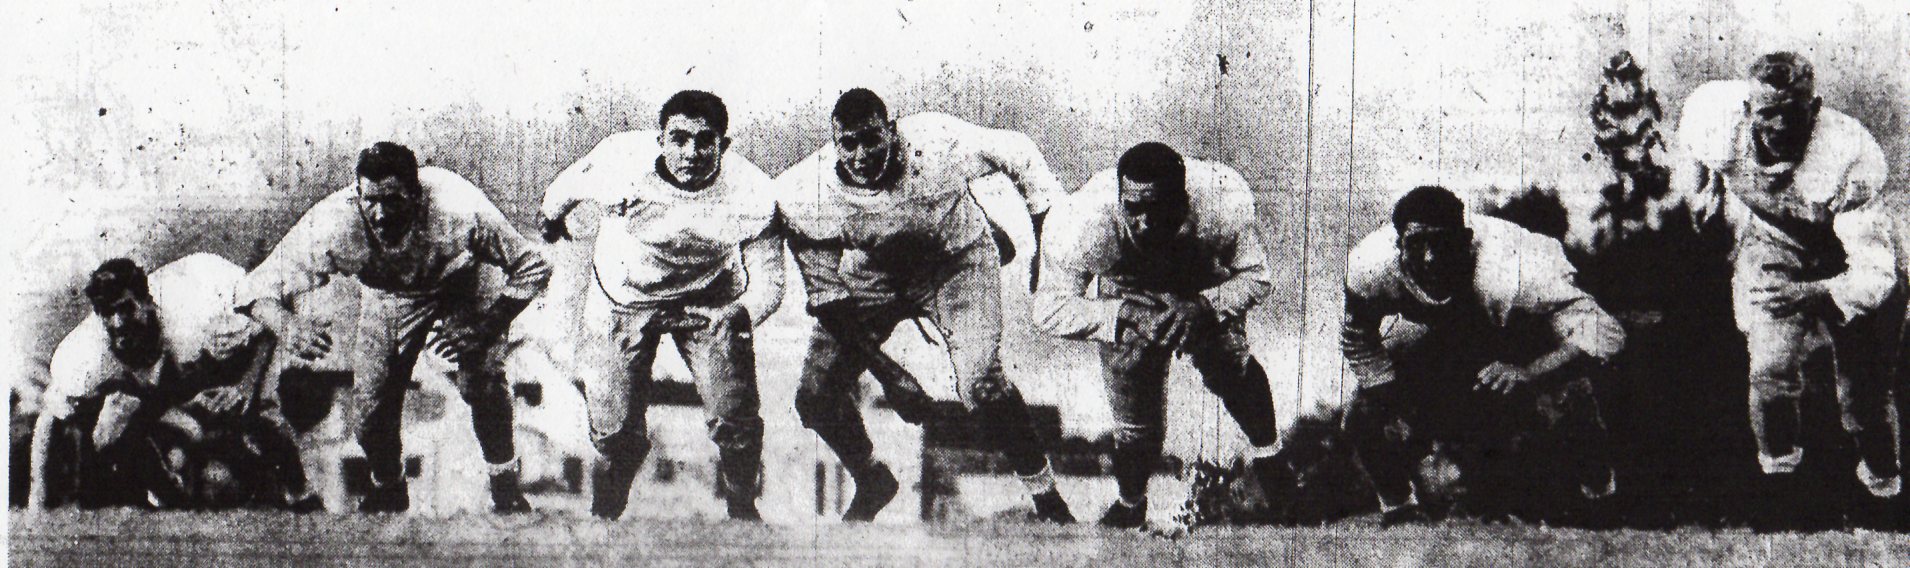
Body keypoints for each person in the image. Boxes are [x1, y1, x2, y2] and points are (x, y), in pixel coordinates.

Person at [776, 88, 1074, 522]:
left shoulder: (937, 141)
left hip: (954, 261)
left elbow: (1022, 155)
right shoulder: (805, 192)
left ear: (892, 131)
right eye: (849, 144)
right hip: (874, 271)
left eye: (871, 138)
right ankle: (872, 477)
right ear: (834, 144)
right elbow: (829, 300)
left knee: (981, 385)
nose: (861, 154)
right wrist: (891, 376)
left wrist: (1047, 258)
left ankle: (1049, 501)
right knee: (815, 396)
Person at [235, 142, 552, 513]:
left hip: (463, 279)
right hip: (391, 294)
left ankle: (505, 487)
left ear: (417, 196)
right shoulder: (333, 225)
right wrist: (287, 325)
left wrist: (488, 323)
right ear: (358, 195)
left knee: (480, 378)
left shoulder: (459, 209)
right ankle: (389, 488)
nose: (380, 215)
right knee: (368, 413)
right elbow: (252, 289)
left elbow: (534, 265)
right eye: (370, 200)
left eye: (392, 200)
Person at [539, 90, 784, 521]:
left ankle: (743, 510)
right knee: (616, 432)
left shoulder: (753, 193)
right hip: (628, 295)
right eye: (679, 139)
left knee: (735, 418)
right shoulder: (619, 161)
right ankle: (607, 514)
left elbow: (771, 282)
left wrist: (739, 313)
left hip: (710, 297)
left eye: (705, 141)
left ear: (724, 145)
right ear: (660, 140)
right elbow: (562, 191)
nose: (691, 153)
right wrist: (554, 219)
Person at [1671, 52, 1901, 501]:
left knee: (1863, 400)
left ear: (1814, 109)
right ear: (1746, 110)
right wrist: (1703, 194)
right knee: (1770, 372)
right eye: (1768, 112)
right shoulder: (1714, 119)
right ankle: (1780, 486)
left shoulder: (1851, 155)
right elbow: (1694, 152)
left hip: (1850, 258)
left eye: (1792, 112)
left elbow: (1875, 277)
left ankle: (1884, 482)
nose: (1778, 126)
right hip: (1775, 242)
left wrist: (1809, 291)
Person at [1032, 142, 1287, 528]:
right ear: (1119, 198)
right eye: (1133, 208)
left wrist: (1204, 306)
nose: (1145, 223)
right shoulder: (1081, 223)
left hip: (1198, 277)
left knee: (1230, 367)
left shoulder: (1222, 200)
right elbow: (1047, 309)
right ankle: (1130, 504)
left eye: (1158, 208)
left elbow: (1257, 276)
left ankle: (1277, 474)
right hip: (1126, 289)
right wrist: (1126, 315)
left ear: (1183, 200)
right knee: (1136, 426)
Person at [1340, 186, 1624, 525]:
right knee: (1365, 412)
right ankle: (1401, 512)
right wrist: (1387, 391)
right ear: (1397, 244)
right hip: (1441, 332)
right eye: (1416, 244)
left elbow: (1606, 333)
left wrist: (1531, 372)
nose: (1429, 259)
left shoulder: (1514, 273)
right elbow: (1359, 338)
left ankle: (1601, 502)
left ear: (1465, 240)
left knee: (1570, 393)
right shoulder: (1369, 268)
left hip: (1521, 330)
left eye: (1442, 243)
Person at [28, 255, 317, 511]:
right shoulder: (85, 357)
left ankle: (303, 496)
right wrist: (37, 502)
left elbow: (265, 326)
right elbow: (50, 420)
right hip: (155, 388)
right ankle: (168, 505)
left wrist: (245, 387)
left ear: (148, 302)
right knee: (108, 432)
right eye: (107, 313)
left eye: (126, 308)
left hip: (213, 360)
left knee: (262, 415)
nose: (118, 323)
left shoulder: (196, 313)